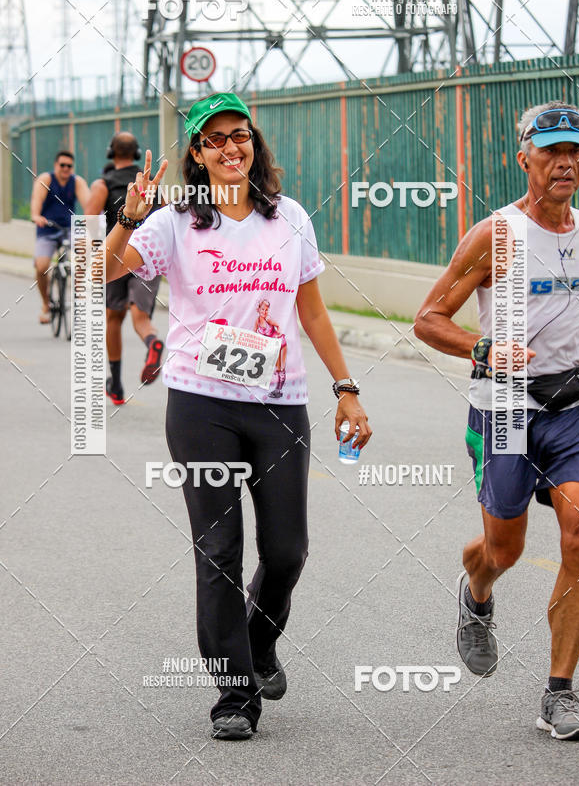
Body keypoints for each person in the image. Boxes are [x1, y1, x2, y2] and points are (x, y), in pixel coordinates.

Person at [99, 93, 372, 740]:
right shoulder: (173, 222)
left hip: (279, 403)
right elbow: (99, 271)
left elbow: (312, 311)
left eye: (239, 135)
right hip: (201, 405)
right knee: (219, 550)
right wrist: (127, 216)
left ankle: (259, 638)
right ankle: (234, 693)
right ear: (197, 153)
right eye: (214, 139)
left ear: (254, 143)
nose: (230, 147)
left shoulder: (290, 217)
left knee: (287, 551)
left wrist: (346, 387)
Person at [415, 100, 579, 740]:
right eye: (551, 151)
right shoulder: (495, 235)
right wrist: (485, 349)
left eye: (575, 150)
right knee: (505, 549)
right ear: (523, 158)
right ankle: (477, 590)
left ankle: (560, 692)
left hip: (575, 407)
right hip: (505, 409)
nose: (565, 162)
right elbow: (428, 319)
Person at [85, 132, 164, 404]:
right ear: (137, 153)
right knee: (140, 318)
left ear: (111, 152)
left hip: (117, 254)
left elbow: (89, 221)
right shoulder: (151, 183)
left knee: (113, 318)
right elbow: (166, 219)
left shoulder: (104, 184)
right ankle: (152, 342)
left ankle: (116, 384)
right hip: (146, 256)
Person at [31, 150, 89, 323]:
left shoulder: (77, 182)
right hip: (47, 228)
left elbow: (89, 204)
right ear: (56, 165)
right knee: (42, 267)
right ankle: (46, 303)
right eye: (62, 165)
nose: (65, 168)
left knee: (86, 250)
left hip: (69, 228)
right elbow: (36, 199)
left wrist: (93, 219)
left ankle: (80, 293)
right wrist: (36, 215)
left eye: (69, 166)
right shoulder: (46, 179)